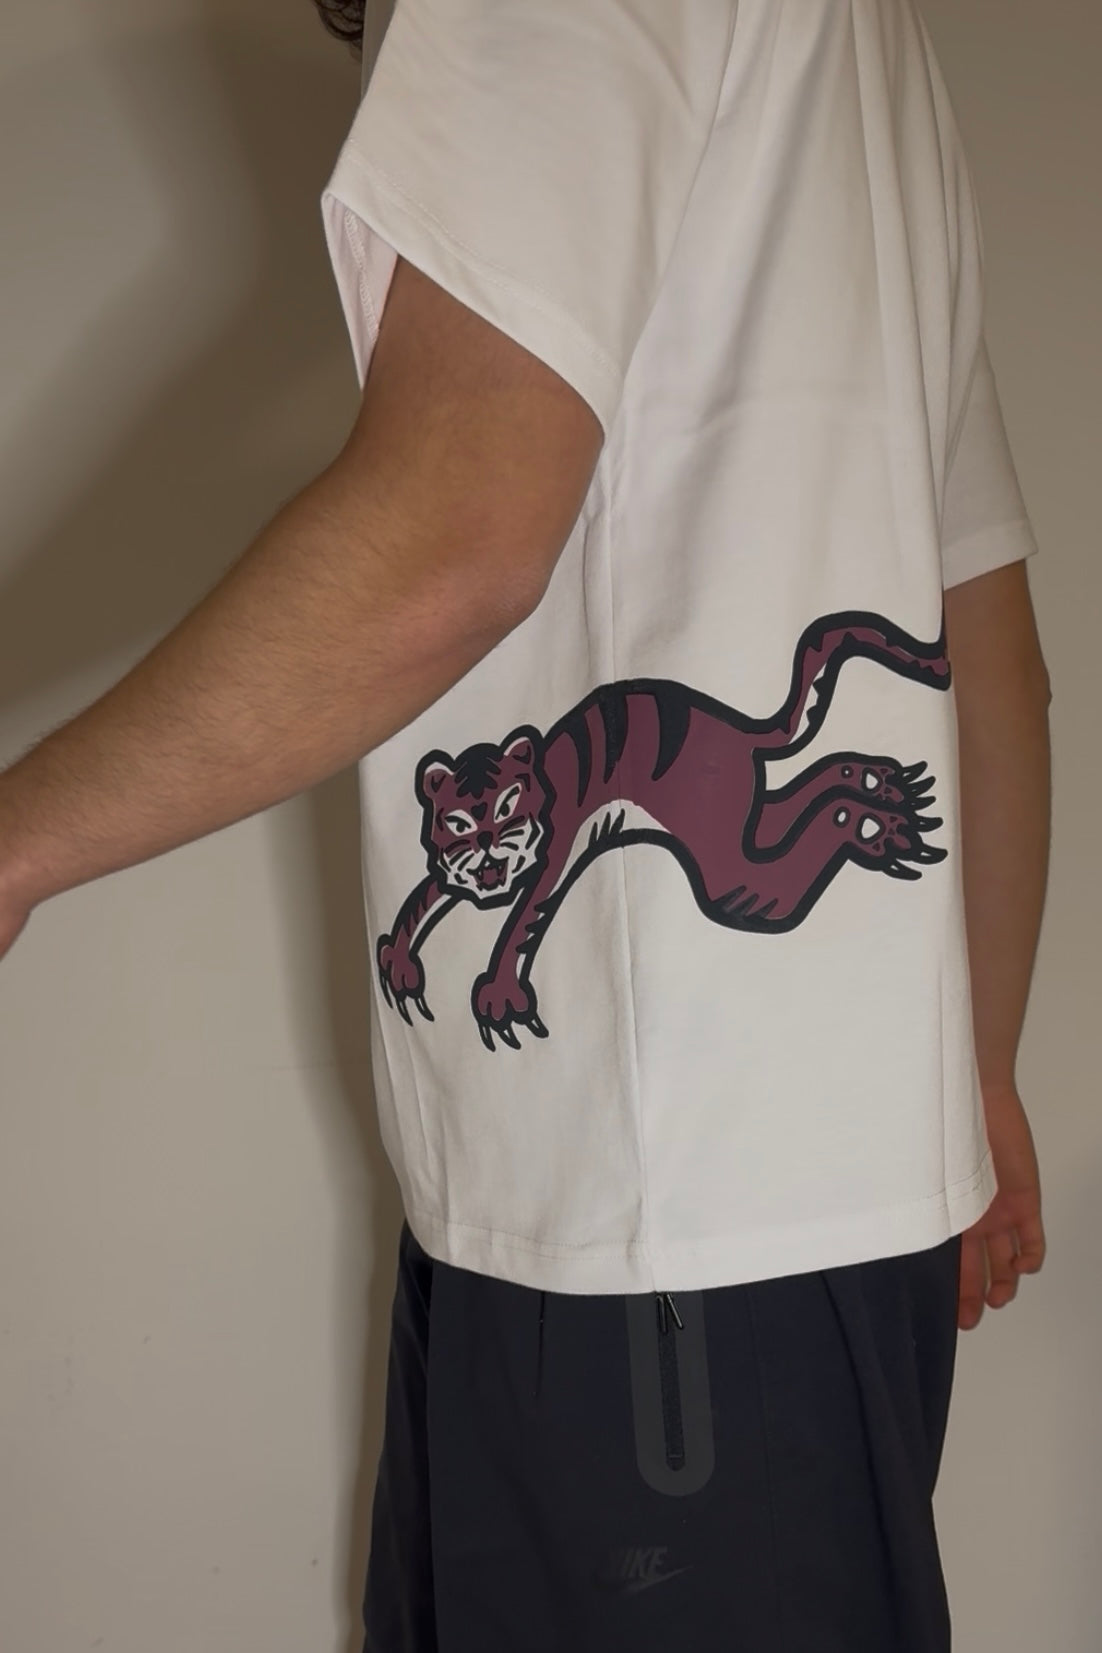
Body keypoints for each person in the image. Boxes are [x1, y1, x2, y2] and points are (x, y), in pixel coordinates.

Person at [1, 0, 1050, 1647]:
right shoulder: (867, 60)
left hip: (652, 1236)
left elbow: (456, 532)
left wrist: (14, 845)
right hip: (763, 1235)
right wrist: (970, 1079)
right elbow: (987, 651)